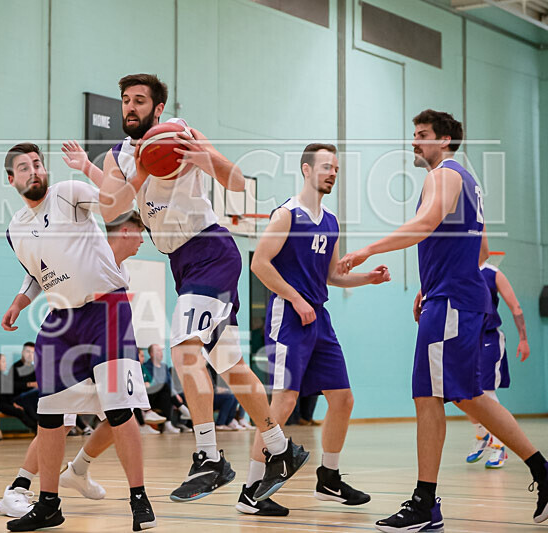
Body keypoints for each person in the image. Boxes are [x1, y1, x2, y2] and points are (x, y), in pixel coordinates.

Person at [98, 73, 307, 508]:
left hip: (211, 250)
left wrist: (204, 157)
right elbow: (111, 209)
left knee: (184, 349)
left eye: (139, 100)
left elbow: (236, 181)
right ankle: (281, 448)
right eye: (125, 100)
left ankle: (209, 456)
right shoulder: (116, 157)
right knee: (230, 366)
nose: (130, 107)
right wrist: (140, 171)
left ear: (157, 109)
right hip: (180, 262)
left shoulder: (181, 132)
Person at [338, 109, 548, 530]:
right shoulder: (468, 182)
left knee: (428, 396)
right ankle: (542, 470)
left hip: (451, 302)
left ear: (446, 140)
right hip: (453, 296)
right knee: (468, 395)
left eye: (423, 135)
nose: (414, 142)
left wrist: (368, 250)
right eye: (414, 134)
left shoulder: (444, 175)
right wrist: (429, 282)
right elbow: (482, 249)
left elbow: (425, 223)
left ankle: (424, 504)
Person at [0, 142, 156, 531]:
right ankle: (49, 504)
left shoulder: (67, 193)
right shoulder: (16, 227)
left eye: (37, 163)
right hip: (60, 318)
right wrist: (20, 302)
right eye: (24, 167)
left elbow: (112, 202)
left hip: (106, 309)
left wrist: (88, 165)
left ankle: (140, 499)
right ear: (11, 180)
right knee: (50, 415)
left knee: (119, 409)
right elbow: (38, 273)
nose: (33, 170)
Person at [251, 143, 391, 513]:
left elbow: (331, 276)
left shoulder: (331, 221)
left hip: (319, 318)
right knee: (282, 402)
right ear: (306, 170)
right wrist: (295, 298)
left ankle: (328, 479)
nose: (332, 173)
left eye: (336, 168)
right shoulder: (287, 215)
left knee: (343, 399)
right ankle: (251, 490)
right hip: (288, 316)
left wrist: (367, 279)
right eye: (326, 167)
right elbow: (260, 264)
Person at [461, 260, 530, 468]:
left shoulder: (493, 273)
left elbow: (515, 306)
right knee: (462, 393)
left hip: (489, 338)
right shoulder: (460, 268)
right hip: (466, 338)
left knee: (486, 391)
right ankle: (482, 435)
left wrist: (523, 338)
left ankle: (499, 446)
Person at [142, 344, 190, 434]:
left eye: (161, 351)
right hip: (152, 397)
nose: (161, 353)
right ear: (151, 354)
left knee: (167, 393)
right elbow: (154, 385)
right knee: (163, 387)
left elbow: (170, 383)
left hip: (165, 395)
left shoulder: (164, 366)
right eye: (158, 351)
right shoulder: (146, 366)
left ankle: (169, 424)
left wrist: (175, 395)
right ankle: (183, 410)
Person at [0, 353, 38, 430]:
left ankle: (38, 427)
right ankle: (37, 428)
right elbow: (3, 396)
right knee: (20, 411)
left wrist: (12, 403)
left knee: (26, 407)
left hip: (4, 402)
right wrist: (13, 404)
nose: (6, 364)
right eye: (3, 361)